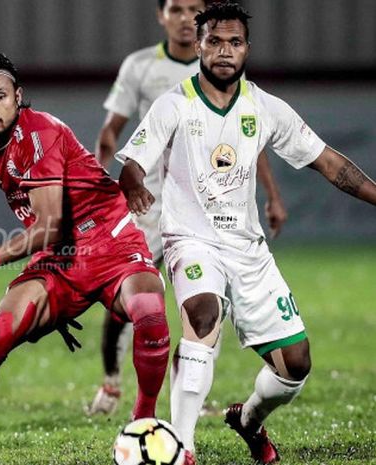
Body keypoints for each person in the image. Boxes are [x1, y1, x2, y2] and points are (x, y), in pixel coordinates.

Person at [115, 3, 376, 464]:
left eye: (234, 43)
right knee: (202, 315)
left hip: (248, 250)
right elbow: (134, 163)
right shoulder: (174, 103)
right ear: (199, 45)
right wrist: (133, 182)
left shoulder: (264, 107)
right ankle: (182, 447)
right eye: (214, 41)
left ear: (246, 50)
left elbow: (329, 162)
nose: (224, 51)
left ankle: (248, 421)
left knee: (296, 366)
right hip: (190, 241)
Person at [0, 52, 188, 465]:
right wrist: (57, 301)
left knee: (150, 311)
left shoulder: (40, 131)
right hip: (61, 259)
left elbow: (45, 226)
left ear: (18, 97)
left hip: (111, 242)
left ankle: (144, 427)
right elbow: (46, 233)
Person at [90, 0, 288, 416]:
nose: (184, 17)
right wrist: (103, 181)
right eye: (176, 9)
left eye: (192, 8)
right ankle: (111, 383)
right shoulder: (140, 66)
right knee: (128, 296)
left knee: (203, 306)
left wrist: (271, 194)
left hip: (201, 213)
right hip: (146, 203)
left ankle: (186, 400)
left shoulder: (224, 67)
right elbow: (112, 132)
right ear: (161, 16)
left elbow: (251, 140)